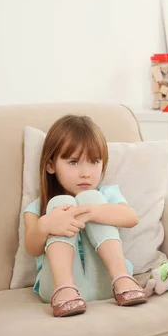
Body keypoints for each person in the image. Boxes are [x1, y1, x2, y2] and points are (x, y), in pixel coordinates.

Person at [23, 115, 148, 317]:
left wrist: (93, 210)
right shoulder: (38, 207)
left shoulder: (106, 194)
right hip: (57, 291)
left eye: (94, 162)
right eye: (73, 162)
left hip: (109, 283)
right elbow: (31, 247)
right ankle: (65, 286)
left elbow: (131, 217)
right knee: (59, 204)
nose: (85, 173)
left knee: (92, 198)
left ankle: (121, 276)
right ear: (50, 165)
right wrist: (46, 225)